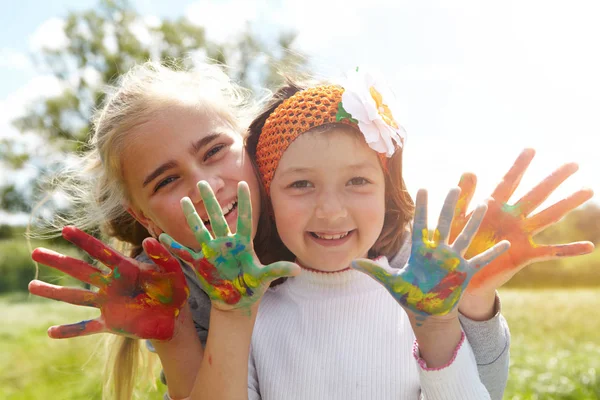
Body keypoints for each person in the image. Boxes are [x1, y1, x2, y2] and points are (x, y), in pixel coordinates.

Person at [27, 62, 593, 399]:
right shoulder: (204, 301)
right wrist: (181, 335)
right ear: (148, 218)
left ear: (251, 153)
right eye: (168, 179)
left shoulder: (387, 256)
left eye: (214, 152)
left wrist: (468, 302)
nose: (207, 186)